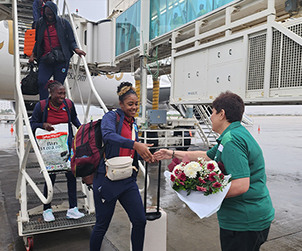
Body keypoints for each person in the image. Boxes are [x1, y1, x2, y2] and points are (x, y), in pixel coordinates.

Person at [154, 91, 275, 251]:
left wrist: (203, 193)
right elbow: (207, 156)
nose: (210, 117)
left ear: (222, 114)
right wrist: (172, 153)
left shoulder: (232, 141)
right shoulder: (232, 136)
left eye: (212, 112)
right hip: (248, 217)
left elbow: (241, 185)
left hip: (243, 222)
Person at [90, 82, 154, 251]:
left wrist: (148, 154)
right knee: (102, 225)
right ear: (121, 104)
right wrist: (135, 144)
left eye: (136, 104)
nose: (134, 107)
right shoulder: (111, 117)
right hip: (107, 179)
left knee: (140, 221)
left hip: (127, 179)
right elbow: (108, 136)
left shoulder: (133, 123)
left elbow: (132, 150)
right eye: (130, 104)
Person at [30, 80, 84, 222]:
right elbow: (32, 124)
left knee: (71, 175)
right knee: (50, 178)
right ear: (51, 93)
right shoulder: (41, 106)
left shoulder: (69, 104)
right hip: (50, 148)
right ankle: (47, 209)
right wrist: (43, 125)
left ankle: (73, 208)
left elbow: (74, 119)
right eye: (60, 93)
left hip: (67, 146)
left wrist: (83, 130)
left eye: (64, 93)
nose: (63, 96)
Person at [29, 1, 86, 100]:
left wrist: (77, 50)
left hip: (61, 60)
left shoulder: (64, 23)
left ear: (55, 13)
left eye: (50, 14)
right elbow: (37, 41)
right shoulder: (40, 24)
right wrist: (33, 54)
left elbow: (71, 40)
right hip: (46, 59)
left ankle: (55, 107)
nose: (49, 16)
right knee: (42, 82)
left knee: (58, 86)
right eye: (47, 14)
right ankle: (44, 106)